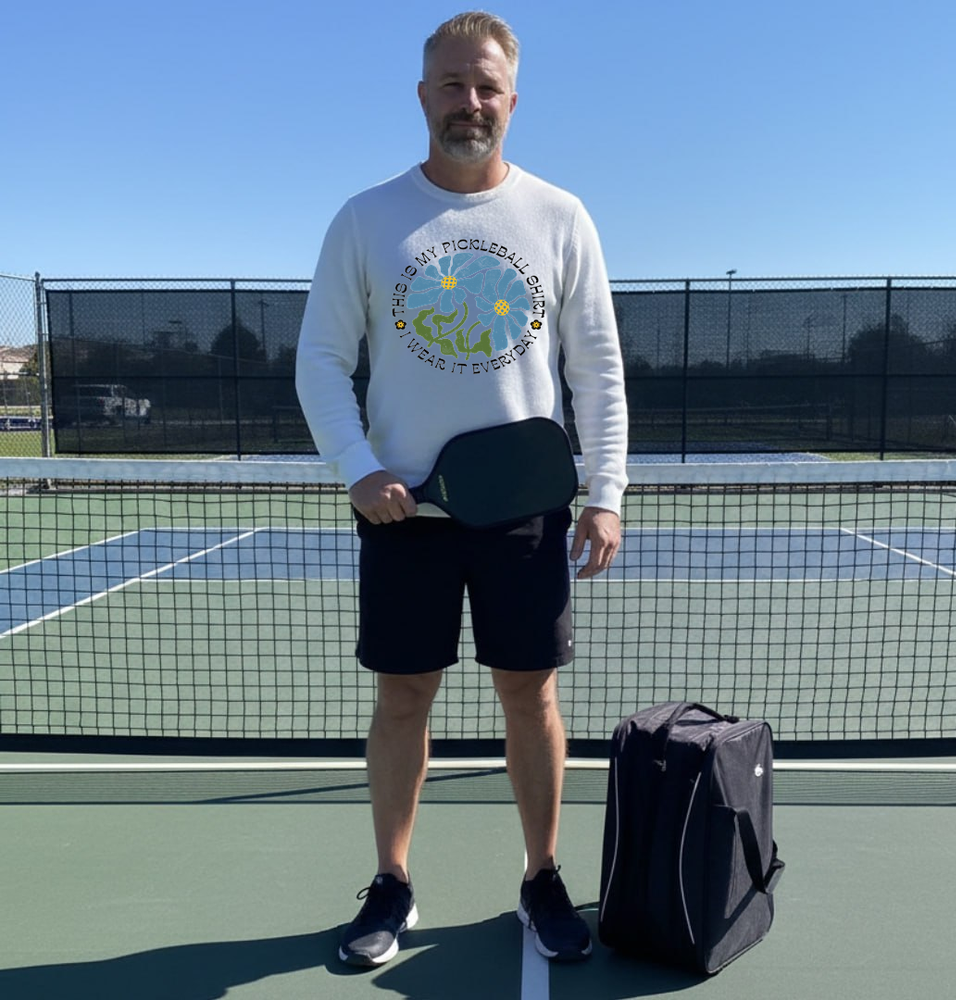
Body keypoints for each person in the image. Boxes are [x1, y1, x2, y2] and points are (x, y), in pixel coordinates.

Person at [295, 10, 628, 967]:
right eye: (451, 84)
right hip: (405, 516)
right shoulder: (366, 218)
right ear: (422, 94)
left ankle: (541, 877)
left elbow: (596, 366)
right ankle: (392, 884)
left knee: (531, 695)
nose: (468, 102)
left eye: (486, 87)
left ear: (511, 101)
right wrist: (358, 467)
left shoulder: (560, 217)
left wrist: (604, 489)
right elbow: (321, 359)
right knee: (404, 697)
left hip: (524, 509)